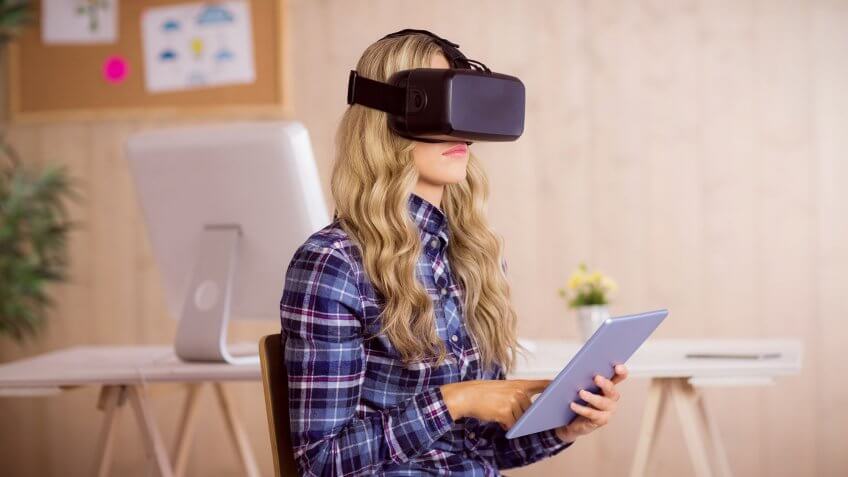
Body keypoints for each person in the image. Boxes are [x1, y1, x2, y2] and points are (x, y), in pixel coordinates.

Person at [279, 30, 629, 476]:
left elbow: (483, 450)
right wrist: (456, 399)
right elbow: (320, 462)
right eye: (442, 104)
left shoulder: (473, 255)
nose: (459, 129)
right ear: (384, 119)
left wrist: (564, 428)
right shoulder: (335, 263)